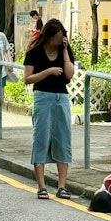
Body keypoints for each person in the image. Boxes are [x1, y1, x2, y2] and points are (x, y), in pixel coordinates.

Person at [23, 19, 74, 200]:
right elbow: (27, 78)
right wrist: (48, 71)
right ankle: (41, 186)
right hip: (42, 96)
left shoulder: (64, 51)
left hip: (62, 97)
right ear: (49, 37)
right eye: (58, 38)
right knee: (41, 138)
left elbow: (69, 74)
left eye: (63, 38)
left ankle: (62, 186)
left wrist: (66, 51)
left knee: (63, 138)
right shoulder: (35, 52)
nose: (60, 41)